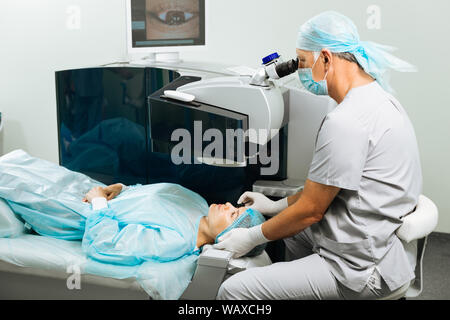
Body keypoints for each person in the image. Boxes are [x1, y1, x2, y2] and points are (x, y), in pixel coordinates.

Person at [214, 11, 422, 300]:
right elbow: (322, 189)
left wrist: (251, 236)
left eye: (301, 61)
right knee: (292, 234)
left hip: (358, 268)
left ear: (325, 57)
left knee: (234, 291)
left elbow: (312, 209)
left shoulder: (346, 121)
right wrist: (274, 207)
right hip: (375, 241)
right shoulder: (380, 99)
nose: (299, 70)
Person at [0, 149, 266, 266]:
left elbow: (106, 245)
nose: (229, 205)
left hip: (74, 210)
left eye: (233, 214)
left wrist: (98, 202)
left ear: (228, 237)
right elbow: (147, 197)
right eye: (236, 207)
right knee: (17, 160)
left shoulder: (175, 241)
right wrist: (120, 188)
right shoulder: (196, 203)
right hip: (92, 191)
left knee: (8, 176)